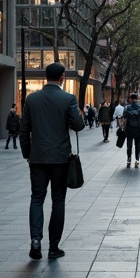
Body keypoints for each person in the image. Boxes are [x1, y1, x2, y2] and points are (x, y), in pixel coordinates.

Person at [20, 61, 85, 259]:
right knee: (58, 201)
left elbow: (24, 130)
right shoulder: (68, 98)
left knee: (36, 198)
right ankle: (54, 246)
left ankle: (35, 241)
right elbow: (79, 125)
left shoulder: (32, 99)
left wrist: (27, 153)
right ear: (62, 77)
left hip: (37, 157)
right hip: (60, 158)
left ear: (45, 76)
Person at [122, 93, 140, 167]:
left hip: (129, 129)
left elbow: (124, 116)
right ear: (136, 98)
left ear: (130, 99)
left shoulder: (126, 108)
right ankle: (137, 160)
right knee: (137, 145)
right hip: (138, 130)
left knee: (129, 145)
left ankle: (129, 160)